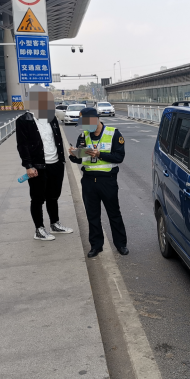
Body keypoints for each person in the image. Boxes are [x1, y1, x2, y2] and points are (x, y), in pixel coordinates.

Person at [68, 108, 128, 257]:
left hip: (107, 181)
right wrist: (73, 154)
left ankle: (121, 244)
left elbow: (119, 157)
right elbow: (79, 159)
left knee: (114, 214)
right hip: (89, 181)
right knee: (92, 215)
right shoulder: (83, 136)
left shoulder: (113, 133)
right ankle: (96, 246)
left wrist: (100, 154)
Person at [16, 86, 73, 241]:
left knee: (53, 196)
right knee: (37, 198)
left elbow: (57, 140)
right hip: (38, 166)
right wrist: (28, 166)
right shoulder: (24, 121)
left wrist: (62, 160)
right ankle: (39, 229)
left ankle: (55, 224)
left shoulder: (51, 118)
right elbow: (22, 145)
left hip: (56, 164)